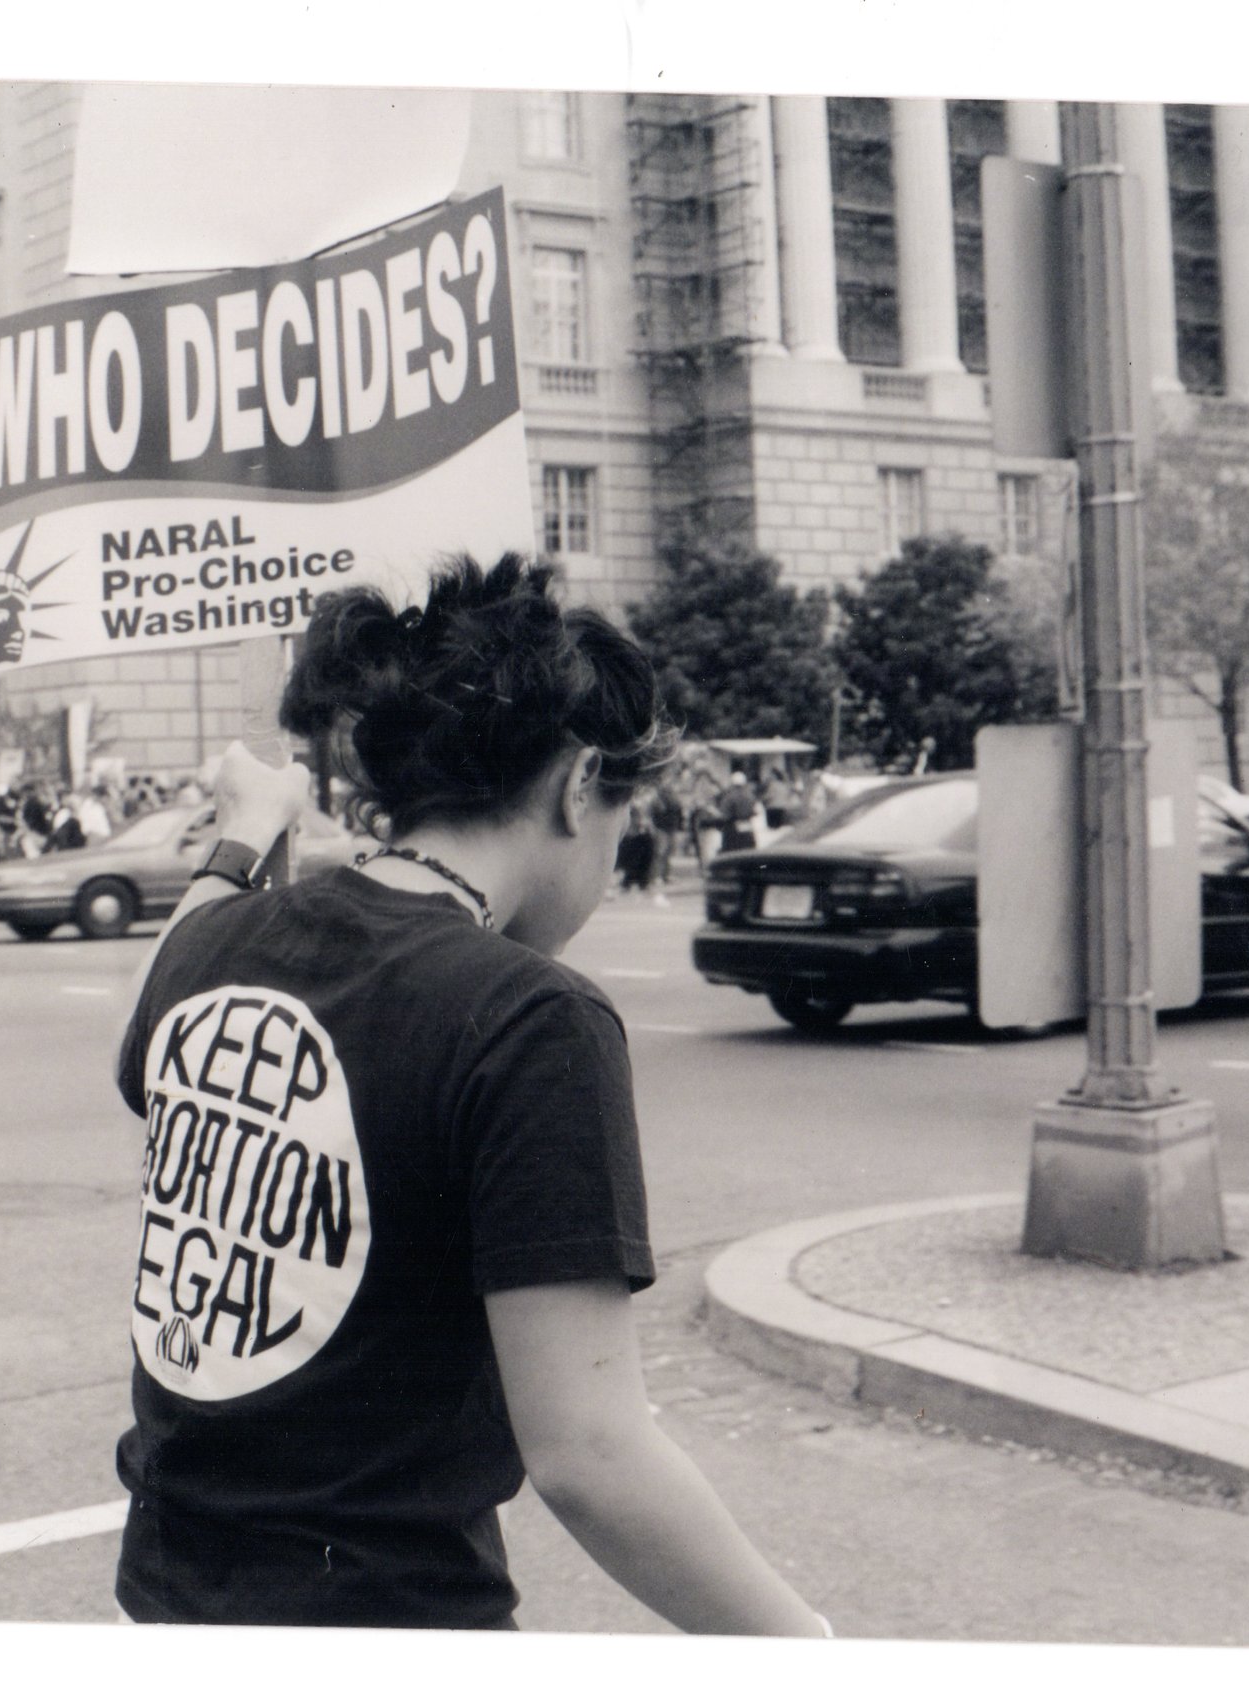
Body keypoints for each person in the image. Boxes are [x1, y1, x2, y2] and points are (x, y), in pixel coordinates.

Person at [107, 554, 829, 1636]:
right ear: (581, 782)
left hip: (161, 1599)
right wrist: (806, 1646)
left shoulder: (216, 942)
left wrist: (247, 827)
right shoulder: (528, 1016)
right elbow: (589, 1452)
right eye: (624, 814)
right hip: (379, 1618)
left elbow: (150, 1012)